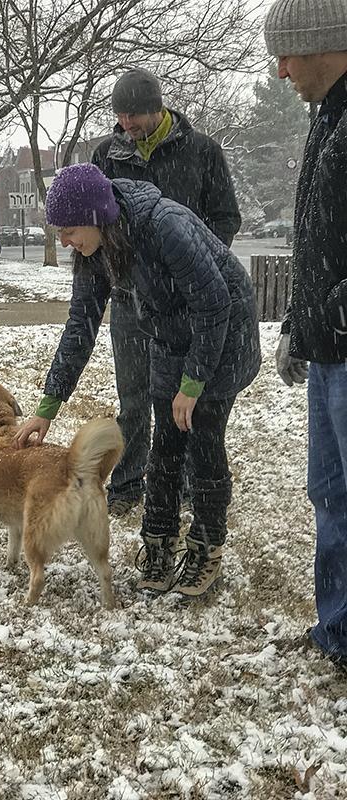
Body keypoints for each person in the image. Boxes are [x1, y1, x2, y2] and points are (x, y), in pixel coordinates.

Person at [14, 163, 260, 597]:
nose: (63, 239)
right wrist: (47, 408)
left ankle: (206, 549)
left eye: (68, 229)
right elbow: (80, 326)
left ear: (95, 216)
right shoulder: (94, 252)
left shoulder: (164, 226)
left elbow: (214, 304)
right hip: (169, 336)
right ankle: (159, 544)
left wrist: (193, 383)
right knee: (165, 443)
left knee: (203, 441)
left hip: (223, 336)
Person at [92, 68, 242, 516]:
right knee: (133, 395)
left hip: (184, 302)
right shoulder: (107, 154)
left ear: (158, 108)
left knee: (186, 395)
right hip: (128, 299)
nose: (127, 123)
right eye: (120, 114)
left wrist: (191, 266)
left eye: (135, 113)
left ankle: (194, 482)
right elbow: (97, 222)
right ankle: (128, 479)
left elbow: (225, 217)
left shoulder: (201, 151)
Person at [264, 0, 347, 666]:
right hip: (328, 354)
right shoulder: (328, 120)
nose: (283, 71)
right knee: (331, 497)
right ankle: (338, 632)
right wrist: (300, 318)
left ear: (327, 45)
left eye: (288, 55)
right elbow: (318, 236)